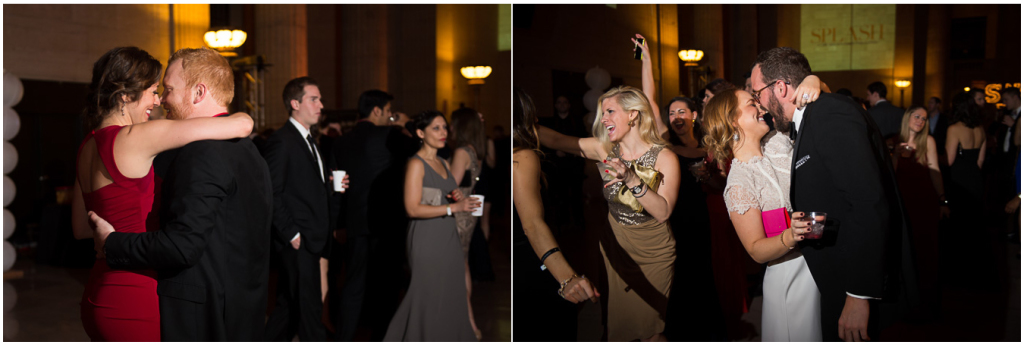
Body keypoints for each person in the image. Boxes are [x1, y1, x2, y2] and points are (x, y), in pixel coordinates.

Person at [84, 47, 270, 341]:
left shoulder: (203, 152)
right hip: (243, 310)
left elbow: (183, 246)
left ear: (198, 92)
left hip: (202, 317)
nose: (163, 101)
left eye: (168, 89)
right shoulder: (251, 152)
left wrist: (113, 244)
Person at [750, 47, 913, 342]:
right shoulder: (811, 118)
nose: (758, 104)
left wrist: (858, 294)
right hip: (833, 275)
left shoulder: (829, 113)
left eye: (758, 93)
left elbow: (867, 202)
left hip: (855, 285)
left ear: (781, 87)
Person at [538, 33, 678, 342]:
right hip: (615, 247)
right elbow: (556, 141)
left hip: (653, 253)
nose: (604, 119)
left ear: (632, 115)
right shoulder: (604, 149)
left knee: (652, 327)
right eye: (602, 113)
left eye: (610, 112)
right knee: (620, 328)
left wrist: (630, 179)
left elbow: (663, 212)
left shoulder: (664, 156)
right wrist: (520, 123)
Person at [703, 87, 820, 341]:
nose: (760, 108)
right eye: (751, 104)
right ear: (732, 121)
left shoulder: (778, 141)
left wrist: (811, 81)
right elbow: (755, 249)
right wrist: (791, 236)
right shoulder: (739, 184)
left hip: (821, 262)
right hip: (790, 274)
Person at [383, 111, 482, 341]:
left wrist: (455, 197)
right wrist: (453, 208)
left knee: (451, 293)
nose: (443, 133)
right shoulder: (416, 164)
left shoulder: (444, 162)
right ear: (420, 133)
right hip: (426, 239)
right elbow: (412, 208)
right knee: (426, 295)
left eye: (445, 128)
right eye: (436, 128)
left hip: (448, 236)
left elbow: (437, 196)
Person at [264, 77, 347, 341]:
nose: (321, 105)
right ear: (295, 103)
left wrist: (333, 187)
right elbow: (271, 192)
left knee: (289, 307)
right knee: (309, 309)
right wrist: (292, 234)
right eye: (314, 99)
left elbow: (303, 187)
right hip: (298, 241)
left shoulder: (310, 141)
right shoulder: (283, 141)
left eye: (320, 99)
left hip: (312, 238)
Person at [331, 89, 418, 341]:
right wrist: (405, 122)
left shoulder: (342, 141)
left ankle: (344, 337)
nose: (391, 116)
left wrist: (339, 223)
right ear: (377, 110)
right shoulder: (389, 135)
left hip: (355, 222)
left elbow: (338, 187)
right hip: (387, 224)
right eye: (389, 111)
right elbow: (422, 144)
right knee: (387, 286)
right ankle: (383, 337)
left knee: (353, 285)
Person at [513, 88, 599, 341]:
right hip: (533, 253)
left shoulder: (524, 141)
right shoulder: (523, 155)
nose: (538, 120)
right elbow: (532, 224)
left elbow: (566, 143)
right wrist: (567, 279)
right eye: (533, 114)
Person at [659, 96, 725, 341]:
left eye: (682, 111)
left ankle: (704, 330)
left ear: (694, 116)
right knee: (677, 273)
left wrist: (707, 177)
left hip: (699, 219)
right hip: (673, 218)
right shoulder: (666, 149)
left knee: (701, 271)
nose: (677, 117)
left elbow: (721, 185)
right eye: (672, 113)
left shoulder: (708, 148)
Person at [892, 106, 945, 319]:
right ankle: (906, 299)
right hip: (903, 202)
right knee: (905, 249)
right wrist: (895, 154)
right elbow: (891, 175)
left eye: (924, 118)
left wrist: (943, 200)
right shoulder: (893, 141)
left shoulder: (928, 141)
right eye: (917, 116)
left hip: (925, 203)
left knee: (925, 250)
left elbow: (935, 172)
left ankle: (925, 301)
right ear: (908, 117)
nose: (920, 121)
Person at [944, 92, 989, 283]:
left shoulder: (954, 128)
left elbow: (949, 160)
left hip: (958, 181)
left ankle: (958, 272)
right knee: (973, 225)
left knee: (958, 225)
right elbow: (980, 161)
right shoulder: (980, 129)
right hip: (976, 180)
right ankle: (975, 270)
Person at [448, 106, 486, 338]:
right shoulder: (474, 150)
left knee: (458, 264)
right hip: (469, 212)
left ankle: (469, 322)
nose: (449, 128)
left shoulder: (462, 151)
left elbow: (451, 185)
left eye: (452, 124)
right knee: (462, 264)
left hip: (460, 212)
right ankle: (468, 321)